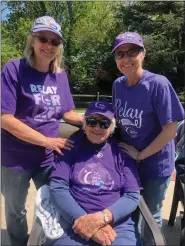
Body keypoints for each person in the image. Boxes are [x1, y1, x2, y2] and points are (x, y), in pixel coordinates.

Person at [1, 16, 83, 246]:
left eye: (54, 42)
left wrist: (92, 121)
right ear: (32, 41)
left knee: (52, 203)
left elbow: (66, 112)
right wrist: (46, 141)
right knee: (15, 209)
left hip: (47, 158)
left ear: (60, 47)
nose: (48, 45)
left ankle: (48, 241)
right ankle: (19, 242)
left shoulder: (60, 75)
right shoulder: (14, 69)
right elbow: (4, 118)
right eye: (43, 39)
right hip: (15, 158)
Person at [111, 31, 185, 238]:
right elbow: (118, 122)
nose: (126, 59)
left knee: (150, 216)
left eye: (132, 52)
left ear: (143, 54)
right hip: (128, 164)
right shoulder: (118, 85)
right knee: (129, 212)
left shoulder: (158, 84)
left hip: (155, 164)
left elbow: (170, 131)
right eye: (120, 54)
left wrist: (141, 155)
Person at [42, 100, 142, 246]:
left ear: (112, 127)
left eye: (104, 123)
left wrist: (103, 218)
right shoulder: (70, 147)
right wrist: (84, 221)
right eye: (91, 122)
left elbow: (132, 195)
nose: (97, 127)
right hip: (74, 222)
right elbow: (58, 187)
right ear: (84, 124)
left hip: (116, 225)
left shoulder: (122, 152)